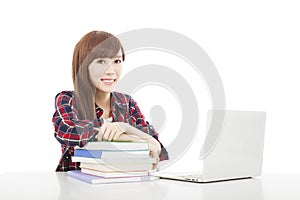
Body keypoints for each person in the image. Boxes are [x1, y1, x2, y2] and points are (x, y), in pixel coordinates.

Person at [52, 30, 169, 171]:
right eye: (101, 61)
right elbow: (67, 131)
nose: (111, 71)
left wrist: (126, 128)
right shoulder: (68, 99)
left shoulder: (126, 102)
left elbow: (155, 145)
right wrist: (131, 137)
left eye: (117, 61)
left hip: (120, 185)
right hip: (76, 186)